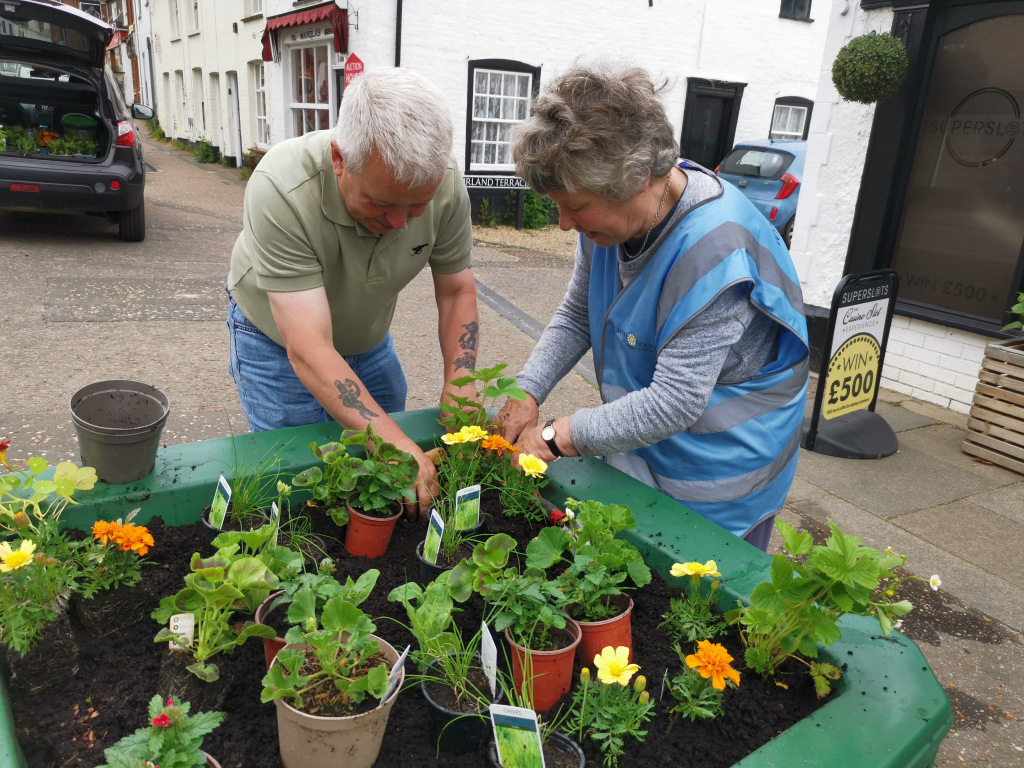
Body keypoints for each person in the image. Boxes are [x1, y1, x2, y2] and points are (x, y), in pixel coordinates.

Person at [494, 64, 809, 551]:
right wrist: (528, 390)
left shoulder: (716, 250)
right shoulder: (610, 221)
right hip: (646, 443)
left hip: (721, 469)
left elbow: (675, 401)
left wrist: (555, 436)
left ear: (638, 179)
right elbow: (579, 312)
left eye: (575, 206)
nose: (562, 223)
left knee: (698, 605)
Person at [226, 68, 480, 517]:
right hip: (278, 342)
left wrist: (460, 379)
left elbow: (457, 290)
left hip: (367, 338)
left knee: (386, 465)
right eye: (382, 205)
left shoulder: (445, 185)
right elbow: (308, 348)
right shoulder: (282, 188)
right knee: (298, 480)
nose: (402, 223)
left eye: (416, 206)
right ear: (340, 159)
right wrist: (395, 442)